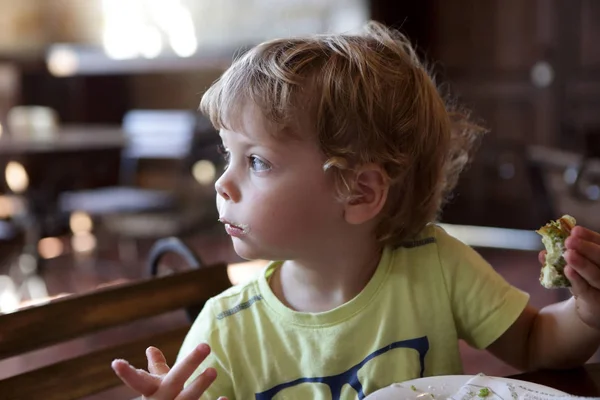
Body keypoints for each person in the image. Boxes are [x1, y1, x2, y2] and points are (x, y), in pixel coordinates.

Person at [111, 21, 600, 400]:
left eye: (256, 161)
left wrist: (587, 312)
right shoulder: (225, 326)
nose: (222, 183)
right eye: (227, 155)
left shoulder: (437, 267)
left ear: (360, 193)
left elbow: (537, 343)